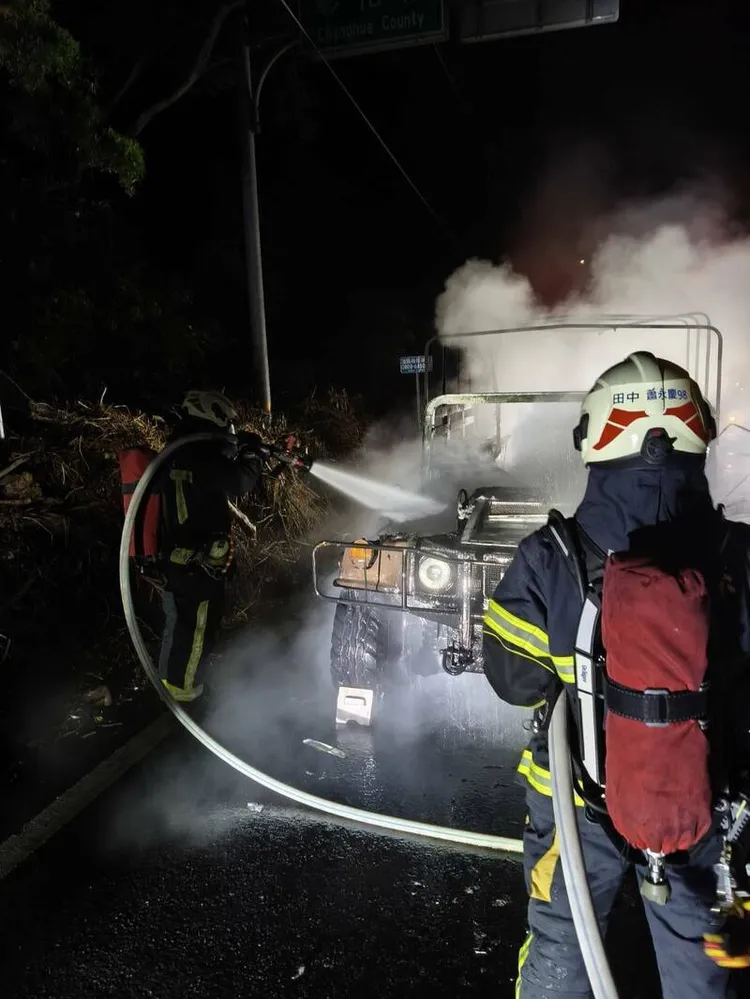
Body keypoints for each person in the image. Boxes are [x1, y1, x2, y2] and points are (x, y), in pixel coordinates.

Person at [483, 351, 750, 998]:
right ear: (698, 436)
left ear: (594, 439)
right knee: (703, 971)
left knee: (561, 952)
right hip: (705, 804)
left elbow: (513, 680)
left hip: (578, 802)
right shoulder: (738, 553)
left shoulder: (552, 555)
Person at [156, 390, 263, 702]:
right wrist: (252, 454)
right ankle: (184, 693)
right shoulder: (196, 454)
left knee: (179, 622)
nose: (228, 432)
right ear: (211, 418)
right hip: (195, 559)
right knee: (197, 625)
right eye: (226, 425)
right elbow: (238, 482)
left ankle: (170, 683)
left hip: (178, 556)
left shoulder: (178, 451)